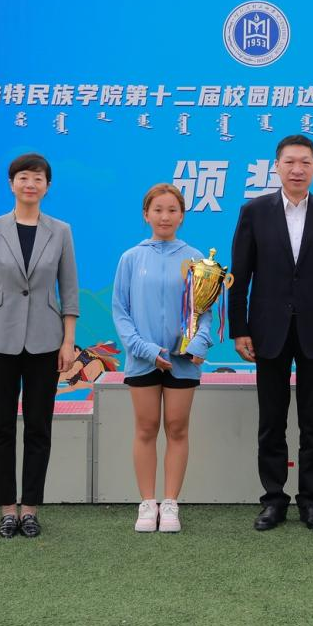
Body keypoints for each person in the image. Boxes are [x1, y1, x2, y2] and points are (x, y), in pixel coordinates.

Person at [229, 134, 313, 532]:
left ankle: (311, 501)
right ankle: (273, 500)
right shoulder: (254, 212)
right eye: (289, 162)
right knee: (271, 421)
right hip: (268, 330)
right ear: (277, 167)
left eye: (305, 162)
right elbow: (240, 275)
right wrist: (239, 329)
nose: (297, 169)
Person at [0, 153, 78, 538]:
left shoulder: (61, 231)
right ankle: (6, 510)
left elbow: (69, 291)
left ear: (48, 186)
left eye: (38, 179)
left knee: (38, 427)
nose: (30, 184)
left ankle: (30, 509)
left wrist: (68, 342)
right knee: (0, 427)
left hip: (47, 342)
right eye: (23, 177)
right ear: (11, 183)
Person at [112, 183, 215, 533]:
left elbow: (205, 311)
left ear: (182, 215)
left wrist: (198, 344)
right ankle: (147, 503)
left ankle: (170, 503)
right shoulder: (131, 258)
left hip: (182, 362)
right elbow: (121, 312)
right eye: (158, 210)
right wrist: (146, 350)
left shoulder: (197, 259)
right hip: (143, 359)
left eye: (172, 210)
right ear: (146, 215)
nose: (165, 216)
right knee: (145, 428)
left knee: (177, 428)